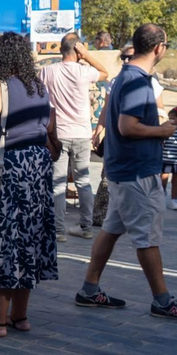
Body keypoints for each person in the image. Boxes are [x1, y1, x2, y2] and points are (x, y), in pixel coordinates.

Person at [76, 25, 177, 320]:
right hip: (136, 173)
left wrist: (162, 125)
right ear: (159, 47)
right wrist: (161, 130)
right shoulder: (137, 81)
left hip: (123, 169)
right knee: (147, 237)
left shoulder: (125, 76)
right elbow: (127, 126)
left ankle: (89, 288)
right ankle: (162, 300)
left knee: (110, 230)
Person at [0, 33, 59, 337]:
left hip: (7, 173)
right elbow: (47, 127)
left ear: (0, 59)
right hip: (36, 170)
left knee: (2, 243)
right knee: (27, 242)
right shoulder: (39, 87)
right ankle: (20, 317)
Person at [41, 33, 111, 243]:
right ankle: (86, 226)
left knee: (58, 184)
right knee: (83, 181)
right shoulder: (84, 71)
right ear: (78, 50)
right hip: (81, 133)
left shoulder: (48, 71)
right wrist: (87, 55)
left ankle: (59, 230)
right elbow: (105, 72)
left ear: (61, 49)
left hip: (58, 133)